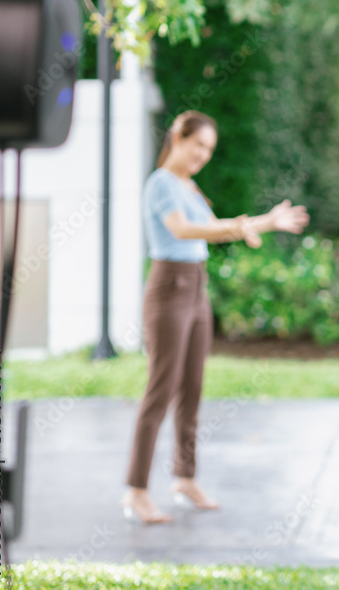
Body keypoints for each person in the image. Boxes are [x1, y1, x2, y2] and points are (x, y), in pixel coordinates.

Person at [123, 110, 309, 524]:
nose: (202, 155)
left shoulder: (190, 187)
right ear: (178, 137)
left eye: (209, 150)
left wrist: (267, 222)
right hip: (169, 289)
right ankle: (136, 490)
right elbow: (184, 231)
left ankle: (184, 478)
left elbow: (220, 230)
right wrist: (244, 225)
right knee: (161, 388)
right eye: (198, 146)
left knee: (192, 387)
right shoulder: (161, 185)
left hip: (197, 288)